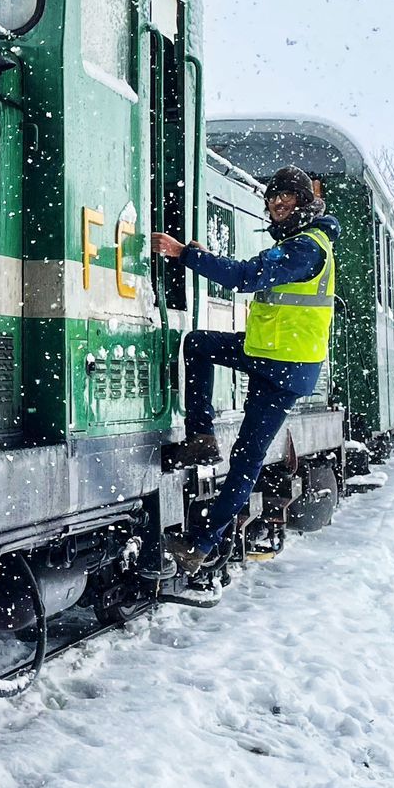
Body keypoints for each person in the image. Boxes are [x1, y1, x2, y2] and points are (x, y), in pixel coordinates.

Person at [150, 167, 341, 571]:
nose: (277, 206)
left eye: (287, 199)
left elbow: (245, 276)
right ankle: (200, 530)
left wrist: (183, 254)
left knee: (246, 453)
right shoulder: (299, 244)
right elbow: (253, 271)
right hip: (275, 358)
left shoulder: (306, 248)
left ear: (304, 202)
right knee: (200, 349)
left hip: (280, 364)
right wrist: (203, 256)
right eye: (273, 200)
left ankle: (201, 527)